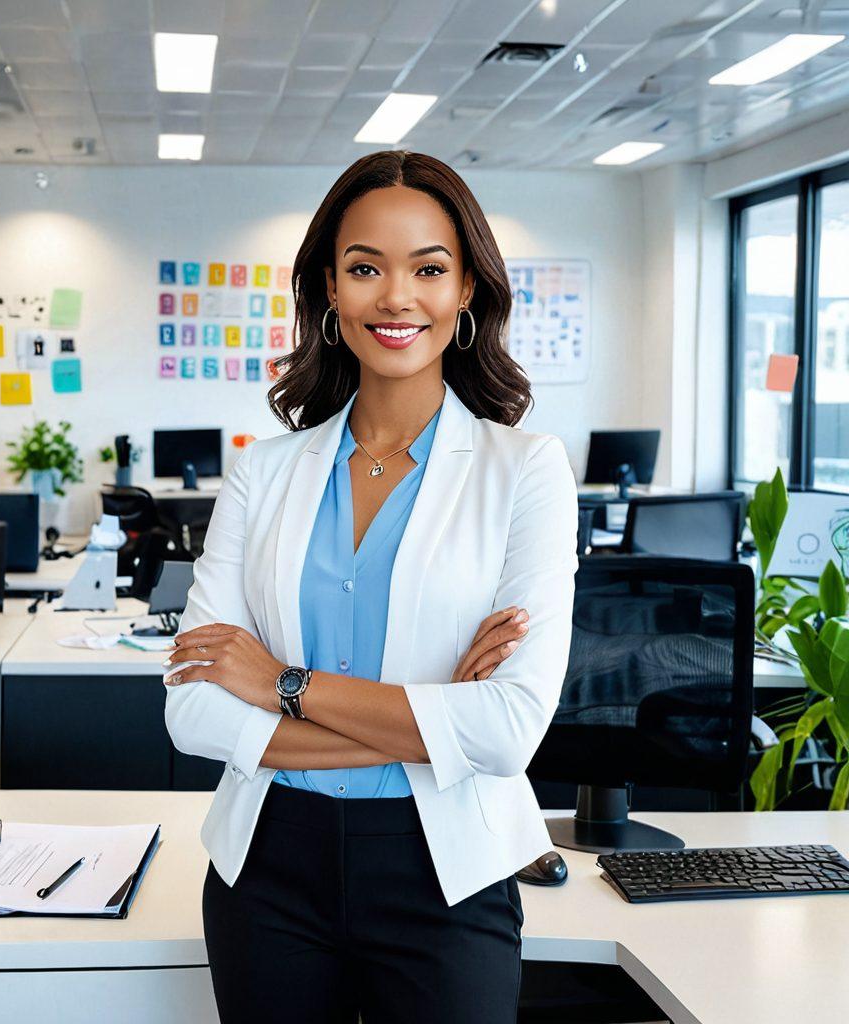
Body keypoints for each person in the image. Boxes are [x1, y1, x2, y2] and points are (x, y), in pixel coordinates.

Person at [164, 149, 579, 1023]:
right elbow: (195, 713)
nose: (397, 297)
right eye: (365, 269)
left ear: (466, 290)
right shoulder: (262, 474)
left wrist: (284, 686)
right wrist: (431, 719)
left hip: (447, 869)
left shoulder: (526, 471)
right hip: (266, 867)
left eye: (429, 268)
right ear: (329, 289)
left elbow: (507, 732)